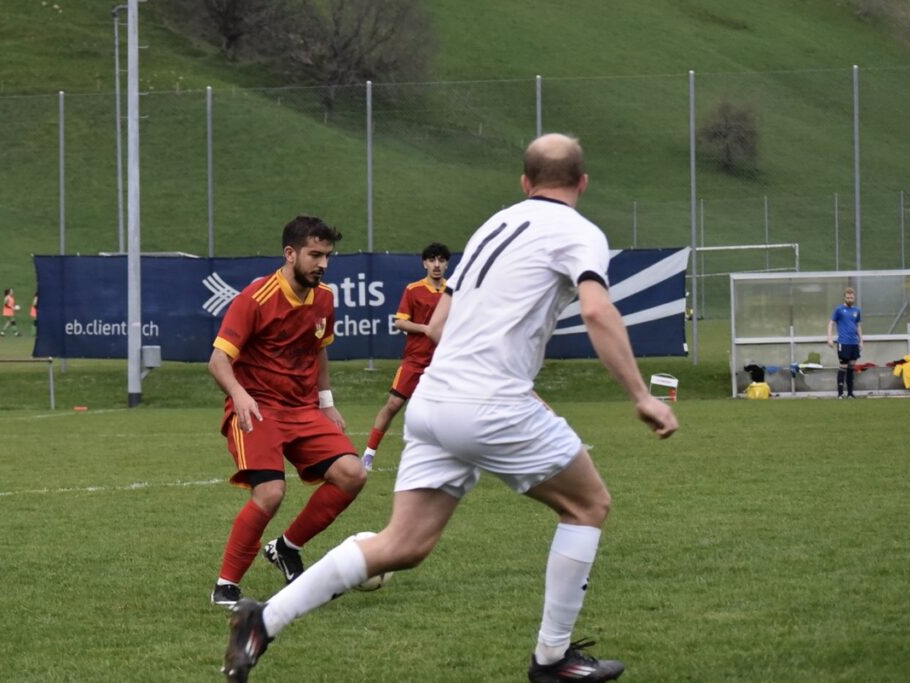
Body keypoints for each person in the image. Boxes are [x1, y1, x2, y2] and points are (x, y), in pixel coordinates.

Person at [222, 134, 679, 683]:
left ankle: (264, 620)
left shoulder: (493, 226)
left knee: (403, 544)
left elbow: (439, 325)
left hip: (434, 400)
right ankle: (552, 659)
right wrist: (641, 396)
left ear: (525, 182)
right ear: (582, 182)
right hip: (491, 402)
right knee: (588, 506)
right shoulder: (581, 232)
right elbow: (598, 311)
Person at [207, 215, 366, 608]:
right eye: (315, 255)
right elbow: (218, 361)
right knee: (271, 493)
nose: (323, 264)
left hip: (302, 409)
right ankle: (225, 587)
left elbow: (319, 348)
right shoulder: (255, 298)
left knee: (352, 474)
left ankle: (286, 548)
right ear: (290, 253)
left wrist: (326, 403)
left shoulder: (324, 297)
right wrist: (239, 394)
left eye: (327, 256)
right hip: (258, 408)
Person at [362, 242, 451, 471]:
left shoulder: (454, 291)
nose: (436, 265)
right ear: (425, 263)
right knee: (393, 404)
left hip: (442, 363)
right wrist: (425, 329)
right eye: (432, 260)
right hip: (414, 360)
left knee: (444, 411)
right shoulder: (413, 289)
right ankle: (369, 454)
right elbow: (400, 322)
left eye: (441, 260)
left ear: (447, 264)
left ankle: (443, 459)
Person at [827, 286, 863, 399]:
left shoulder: (857, 310)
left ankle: (850, 393)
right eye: (848, 298)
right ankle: (840, 394)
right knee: (843, 366)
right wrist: (830, 338)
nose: (849, 299)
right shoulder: (839, 310)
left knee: (851, 367)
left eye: (851, 298)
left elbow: (858, 325)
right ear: (844, 297)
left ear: (854, 298)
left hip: (854, 343)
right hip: (843, 343)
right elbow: (831, 323)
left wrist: (861, 340)